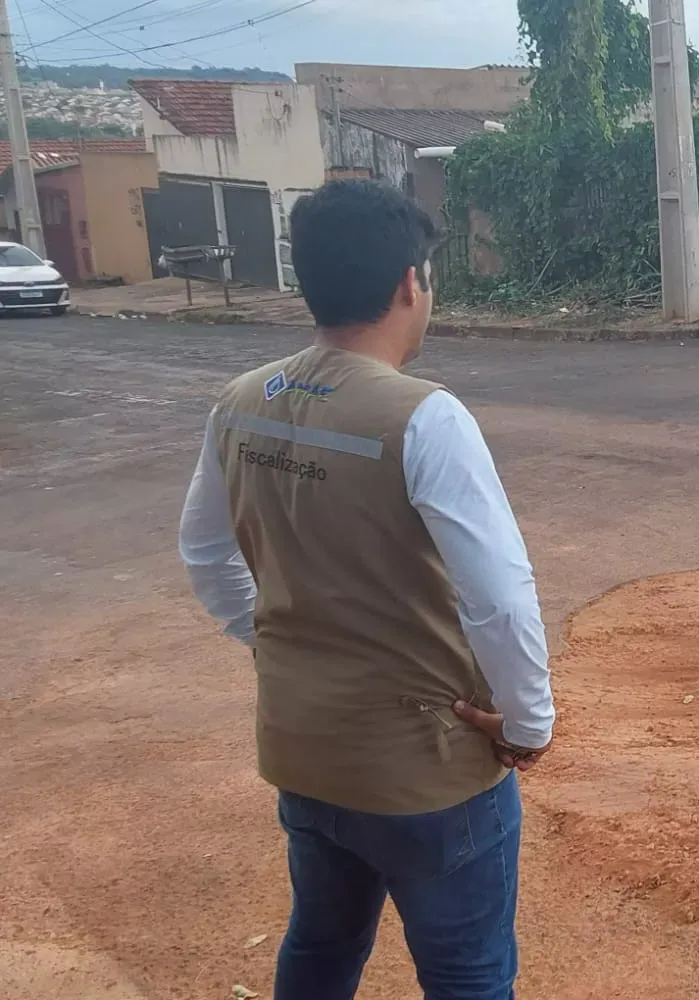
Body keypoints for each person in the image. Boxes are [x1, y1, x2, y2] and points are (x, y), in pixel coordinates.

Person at [178, 179, 554, 1000]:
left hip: (304, 749)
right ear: (410, 284)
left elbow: (204, 552)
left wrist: (271, 640)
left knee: (320, 946)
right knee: (468, 975)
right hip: (425, 768)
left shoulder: (240, 403)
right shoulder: (425, 416)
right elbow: (499, 596)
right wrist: (529, 723)